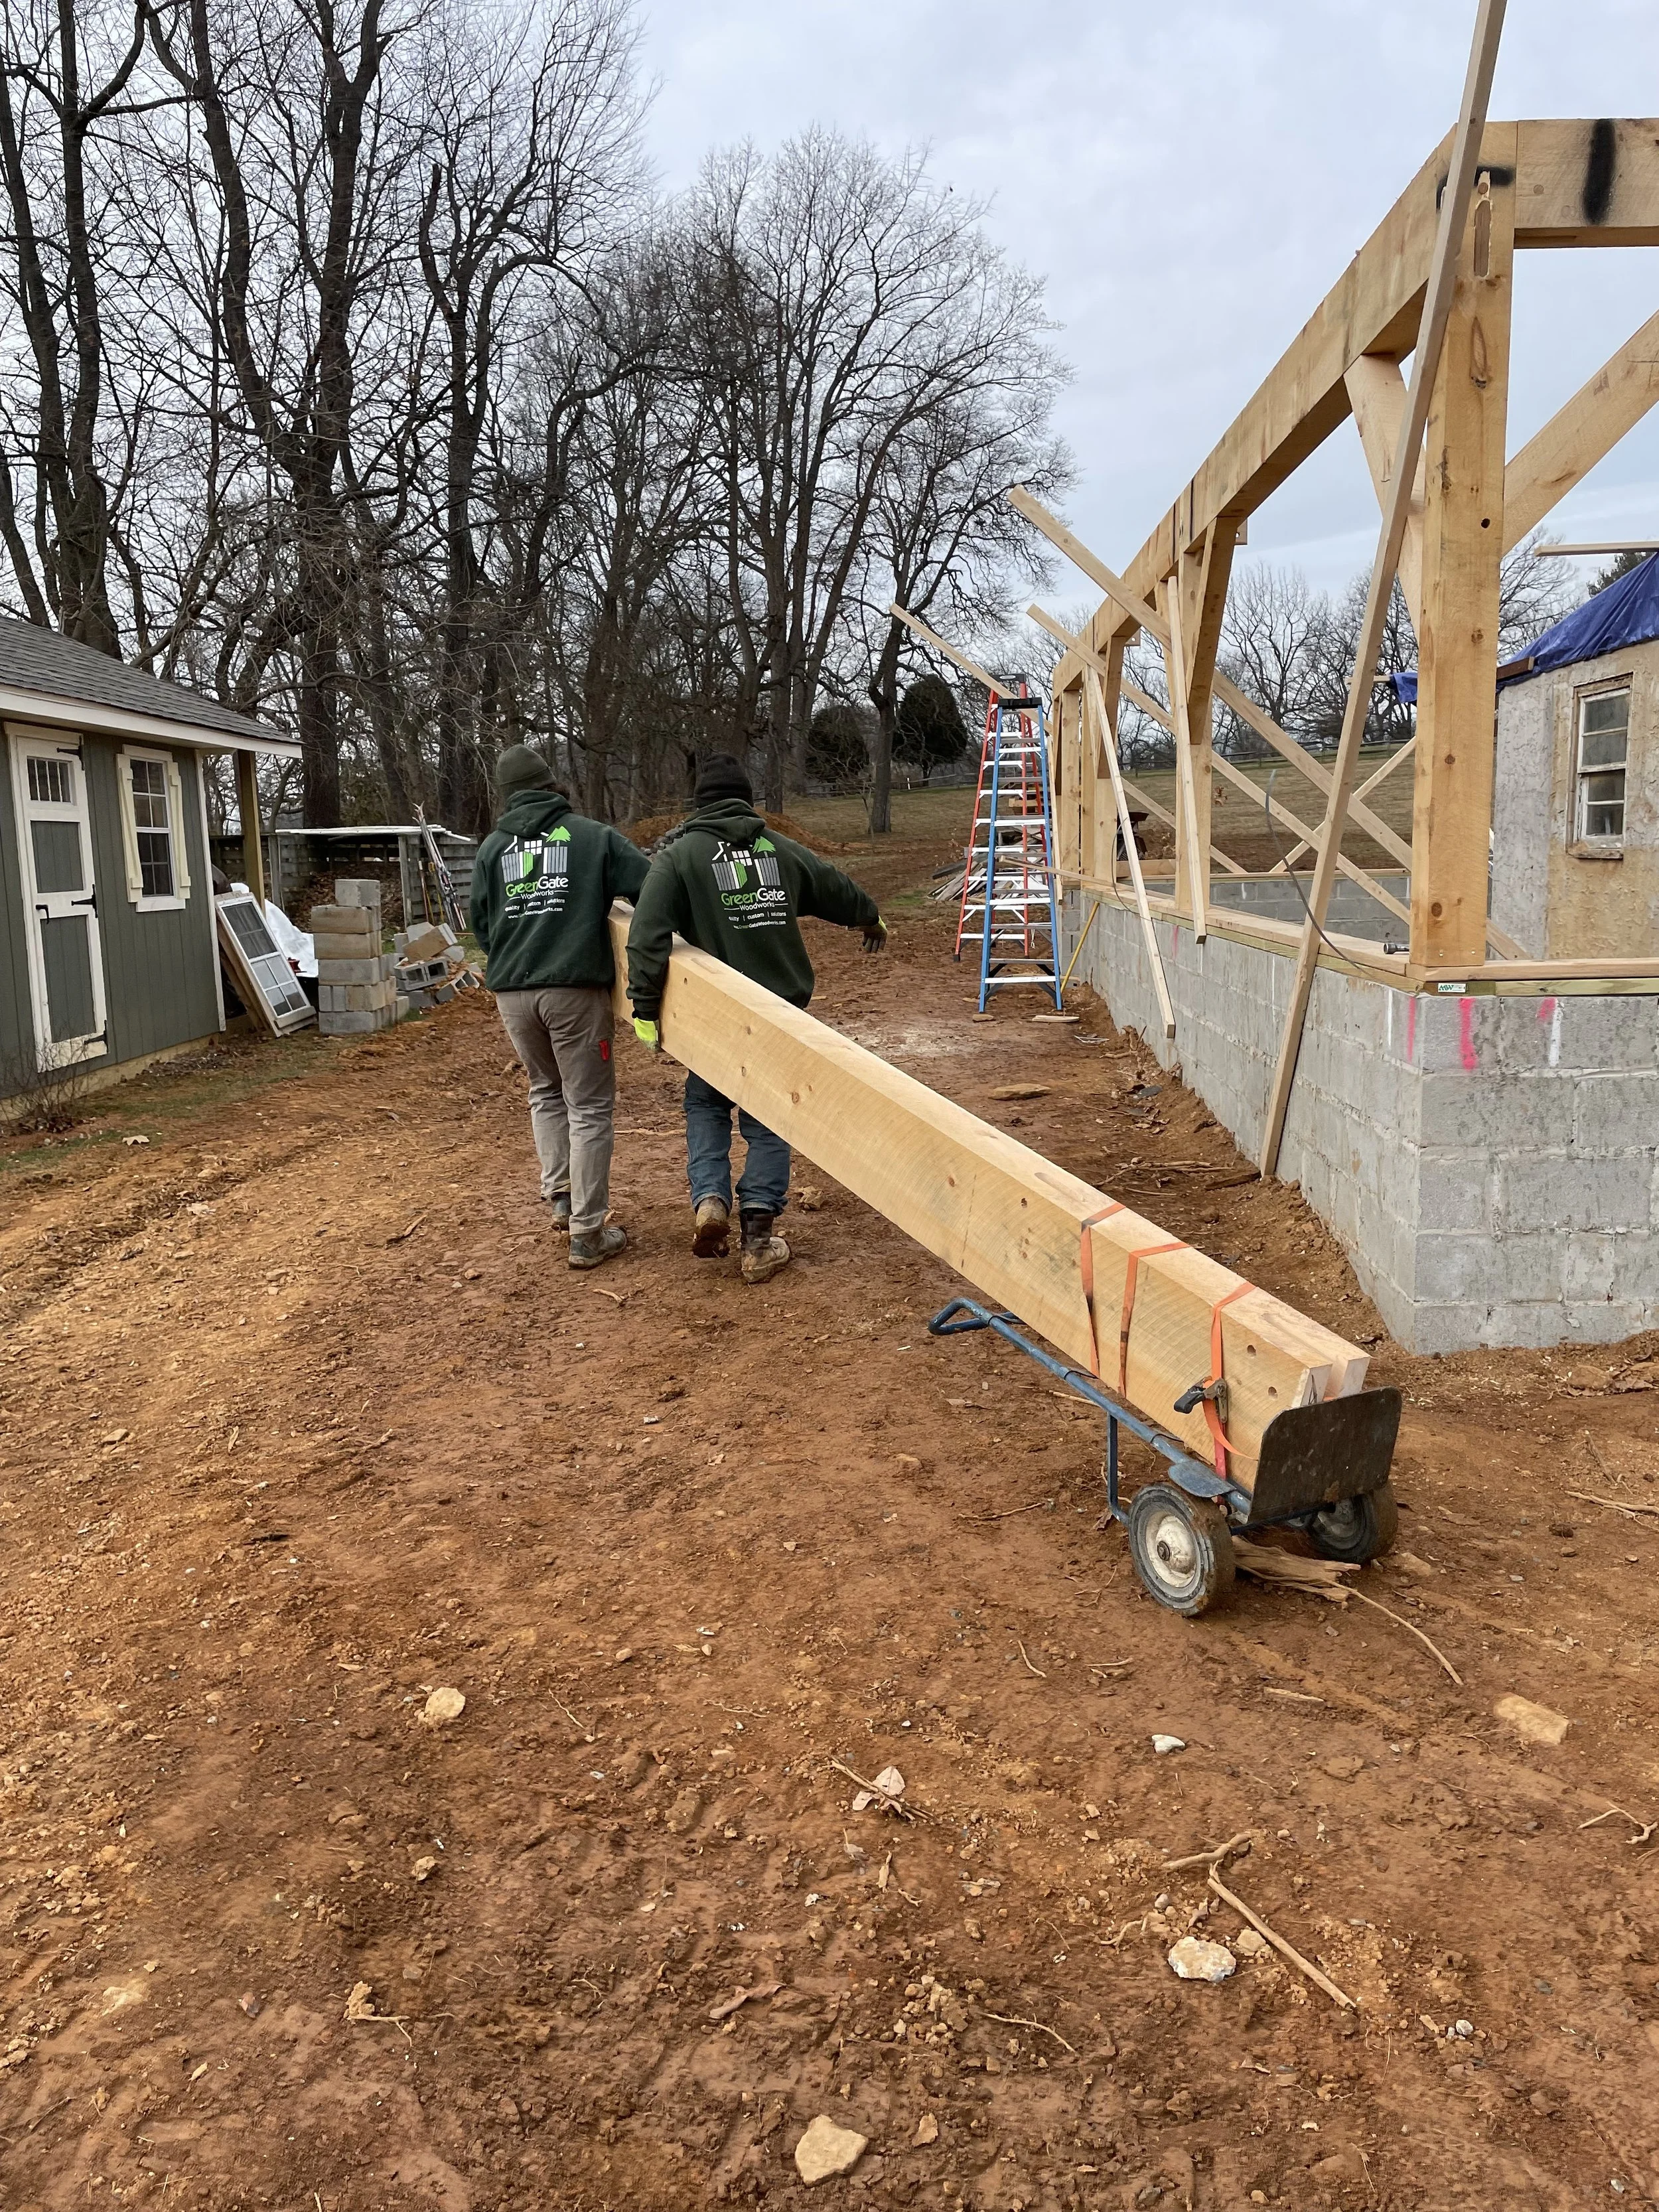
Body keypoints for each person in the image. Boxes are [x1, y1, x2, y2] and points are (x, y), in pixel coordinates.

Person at [625, 753, 886, 1284]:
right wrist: (869, 916)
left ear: (700, 803)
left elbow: (646, 934)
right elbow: (831, 885)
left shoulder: (681, 857)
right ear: (747, 801)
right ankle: (759, 1239)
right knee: (769, 1120)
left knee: (705, 1104)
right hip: (778, 1014)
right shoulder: (776, 848)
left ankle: (711, 1201)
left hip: (715, 1018)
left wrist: (644, 1008)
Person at [471, 744, 649, 1270]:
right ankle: (588, 1232)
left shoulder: (491, 850)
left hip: (512, 994)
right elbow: (650, 886)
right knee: (589, 1104)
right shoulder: (592, 837)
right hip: (573, 990)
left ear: (508, 797)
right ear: (552, 785)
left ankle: (563, 1198)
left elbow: (481, 925)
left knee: (546, 1090)